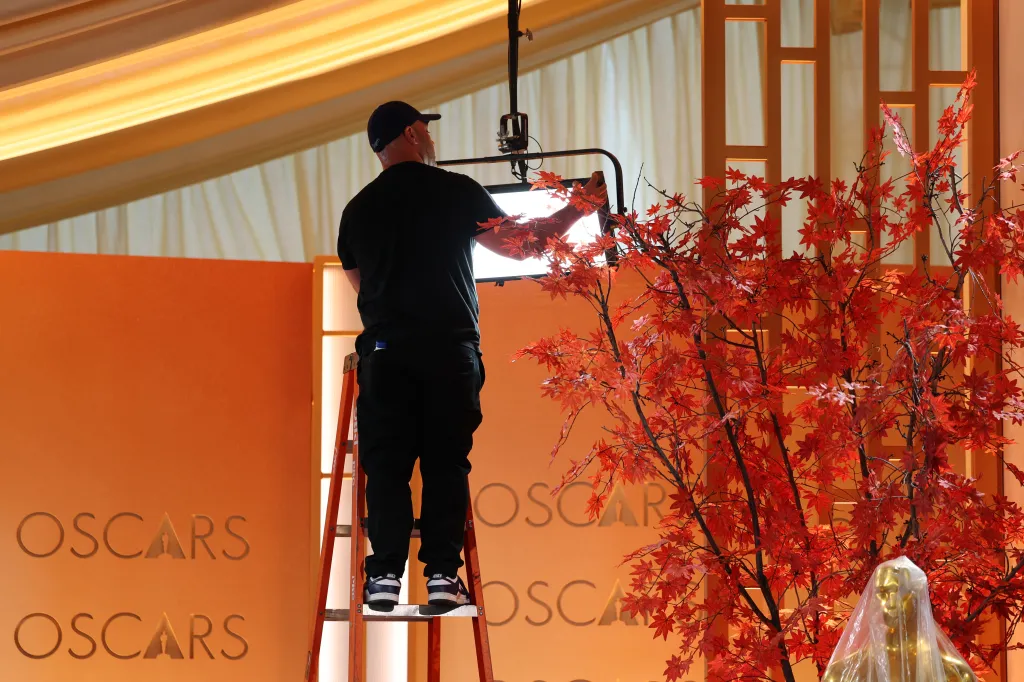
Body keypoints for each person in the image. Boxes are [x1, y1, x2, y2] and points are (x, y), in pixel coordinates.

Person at [336, 100, 607, 608]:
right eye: (426, 130)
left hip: (385, 353)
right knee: (445, 463)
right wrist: (580, 206)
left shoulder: (357, 210)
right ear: (413, 133)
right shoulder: (455, 191)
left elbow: (360, 288)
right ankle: (442, 575)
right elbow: (525, 247)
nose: (431, 139)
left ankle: (383, 579)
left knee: (387, 468)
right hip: (447, 350)